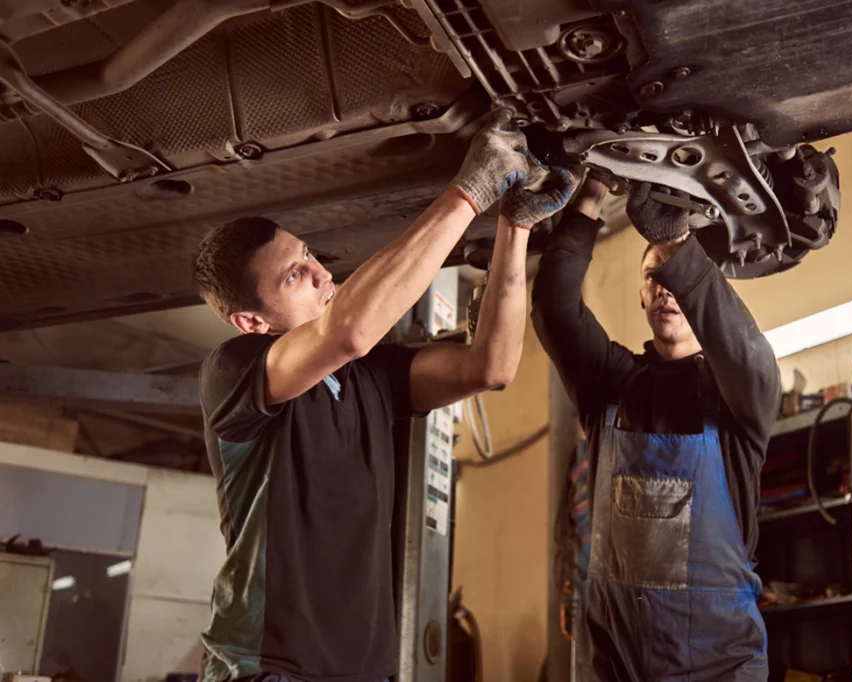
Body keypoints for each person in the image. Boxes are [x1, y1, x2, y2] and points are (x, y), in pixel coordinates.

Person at [190, 109, 579, 682]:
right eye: (294, 276)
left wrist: (514, 225)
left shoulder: (367, 375)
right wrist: (469, 193)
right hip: (267, 670)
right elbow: (348, 330)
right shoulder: (235, 371)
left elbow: (491, 367)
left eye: (308, 256)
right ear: (251, 321)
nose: (321, 274)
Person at [532, 178, 782, 681]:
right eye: (652, 276)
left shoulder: (737, 399)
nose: (665, 288)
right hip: (616, 663)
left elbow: (749, 358)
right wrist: (587, 197)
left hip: (719, 665)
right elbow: (555, 309)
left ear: (701, 293)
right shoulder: (610, 385)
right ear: (642, 297)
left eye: (673, 275)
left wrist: (672, 240)